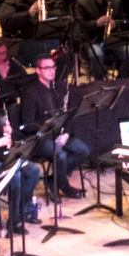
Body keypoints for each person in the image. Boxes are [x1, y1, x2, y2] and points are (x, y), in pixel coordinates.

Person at [0, 76, 42, 250]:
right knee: (15, 175)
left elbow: (3, 137)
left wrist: (7, 133)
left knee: (33, 170)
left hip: (1, 156)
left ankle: (19, 212)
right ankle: (12, 221)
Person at [19, 54, 89, 199]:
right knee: (60, 154)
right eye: (47, 68)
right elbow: (28, 125)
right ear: (38, 70)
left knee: (83, 150)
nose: (52, 71)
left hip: (59, 135)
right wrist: (50, 136)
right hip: (39, 139)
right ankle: (64, 186)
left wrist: (66, 134)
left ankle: (53, 180)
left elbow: (68, 115)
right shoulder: (30, 93)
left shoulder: (60, 88)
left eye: (53, 67)